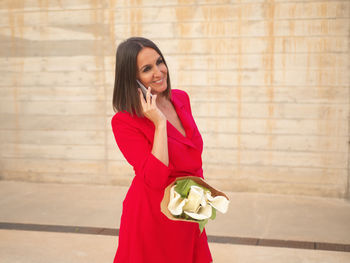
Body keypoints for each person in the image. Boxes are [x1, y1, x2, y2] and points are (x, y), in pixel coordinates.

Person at [111, 37, 213, 263]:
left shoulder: (180, 98)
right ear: (132, 79)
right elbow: (155, 178)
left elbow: (194, 157)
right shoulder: (124, 121)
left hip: (187, 208)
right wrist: (159, 123)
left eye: (159, 62)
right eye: (147, 69)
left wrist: (201, 201)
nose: (159, 72)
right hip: (152, 216)